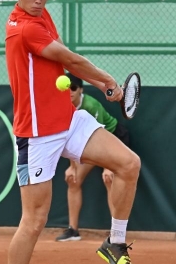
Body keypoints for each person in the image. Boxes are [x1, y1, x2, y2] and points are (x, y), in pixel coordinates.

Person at [0, 0, 141, 264]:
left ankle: (115, 242)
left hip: (67, 120)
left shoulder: (42, 16)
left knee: (128, 163)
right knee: (35, 220)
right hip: (36, 135)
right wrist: (105, 80)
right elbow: (68, 59)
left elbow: (59, 65)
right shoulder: (24, 27)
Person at [55, 74, 131, 242]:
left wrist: (108, 167)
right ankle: (73, 230)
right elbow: (72, 139)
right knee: (73, 179)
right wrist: (72, 167)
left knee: (109, 178)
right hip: (87, 144)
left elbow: (102, 137)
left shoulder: (90, 105)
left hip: (113, 137)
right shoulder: (63, 106)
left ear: (81, 90)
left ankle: (116, 235)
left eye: (74, 88)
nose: (70, 91)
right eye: (67, 87)